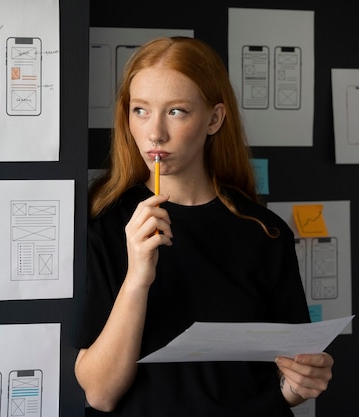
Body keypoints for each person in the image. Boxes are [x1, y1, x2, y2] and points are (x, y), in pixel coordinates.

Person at [75, 36, 334, 416]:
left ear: (214, 119)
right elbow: (99, 394)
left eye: (176, 111)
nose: (155, 133)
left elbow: (286, 376)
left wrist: (299, 386)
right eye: (141, 110)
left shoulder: (265, 231)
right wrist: (137, 279)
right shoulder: (102, 222)